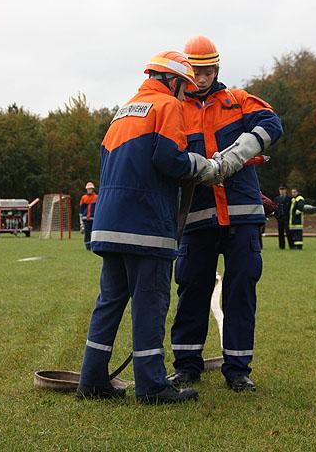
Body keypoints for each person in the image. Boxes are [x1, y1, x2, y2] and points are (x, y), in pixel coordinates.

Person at [76, 50, 219, 405]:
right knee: (150, 305)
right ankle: (152, 386)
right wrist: (199, 165)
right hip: (146, 226)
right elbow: (169, 159)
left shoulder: (125, 110)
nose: (186, 95)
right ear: (173, 81)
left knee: (109, 303)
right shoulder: (166, 105)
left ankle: (91, 380)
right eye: (184, 87)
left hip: (109, 225)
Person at [169, 35, 283, 393]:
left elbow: (272, 124)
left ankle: (238, 370)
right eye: (196, 72)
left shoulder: (238, 100)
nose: (202, 79)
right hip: (197, 220)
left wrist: (237, 154)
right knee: (191, 290)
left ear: (217, 69)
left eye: (208, 72)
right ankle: (186, 366)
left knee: (241, 292)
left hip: (242, 217)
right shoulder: (174, 109)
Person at [79, 182, 98, 250]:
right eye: (88, 189)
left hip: (94, 219)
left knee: (94, 233)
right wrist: (81, 221)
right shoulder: (83, 198)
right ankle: (88, 247)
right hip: (85, 219)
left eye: (90, 189)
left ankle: (94, 246)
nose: (89, 190)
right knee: (87, 233)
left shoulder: (96, 197)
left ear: (92, 189)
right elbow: (81, 209)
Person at [274, 185, 292, 250]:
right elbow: (275, 208)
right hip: (280, 218)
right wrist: (277, 216)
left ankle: (291, 245)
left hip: (286, 217)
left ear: (285, 190)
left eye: (283, 189)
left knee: (288, 232)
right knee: (280, 232)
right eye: (280, 190)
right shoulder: (276, 199)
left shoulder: (289, 199)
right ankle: (281, 246)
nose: (282, 191)